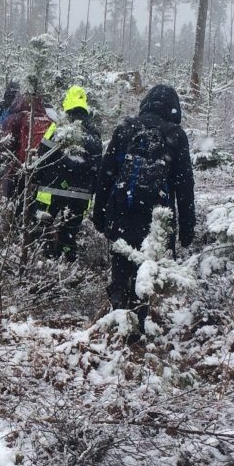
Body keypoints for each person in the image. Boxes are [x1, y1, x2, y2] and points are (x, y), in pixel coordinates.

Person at [92, 84, 195, 333]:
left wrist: (99, 213)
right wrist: (186, 227)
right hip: (156, 220)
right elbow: (184, 185)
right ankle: (137, 322)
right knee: (146, 270)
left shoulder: (126, 128)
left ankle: (118, 317)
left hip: (121, 213)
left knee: (121, 264)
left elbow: (106, 174)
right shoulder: (176, 136)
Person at [32, 86, 103, 260]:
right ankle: (67, 261)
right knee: (69, 234)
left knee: (43, 231)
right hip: (80, 194)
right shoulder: (94, 133)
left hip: (51, 191)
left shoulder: (58, 128)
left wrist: (36, 179)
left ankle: (44, 264)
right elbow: (98, 166)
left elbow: (43, 155)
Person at [0, 91, 53, 202]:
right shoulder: (49, 121)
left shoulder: (13, 119)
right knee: (31, 207)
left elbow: (1, 146)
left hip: (16, 171)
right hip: (38, 172)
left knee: (14, 206)